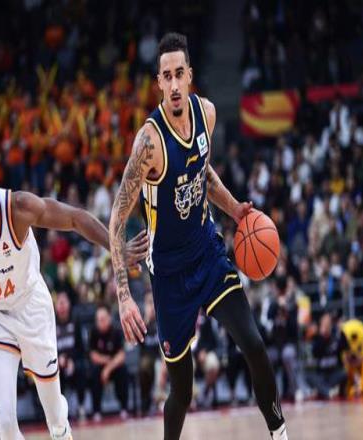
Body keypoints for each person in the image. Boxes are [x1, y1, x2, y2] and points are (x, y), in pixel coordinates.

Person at [109, 32, 288, 440]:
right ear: (158, 82)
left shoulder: (206, 113)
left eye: (180, 74)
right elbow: (117, 216)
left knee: (253, 344)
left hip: (207, 253)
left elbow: (202, 173)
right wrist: (123, 294)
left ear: (190, 75)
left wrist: (235, 208)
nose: (174, 84)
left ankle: (279, 433)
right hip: (169, 275)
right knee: (182, 391)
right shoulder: (149, 143)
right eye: (166, 76)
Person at [0, 151, 147, 440]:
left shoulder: (17, 208)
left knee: (54, 416)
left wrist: (118, 250)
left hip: (32, 308)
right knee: (5, 422)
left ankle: (62, 429)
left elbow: (75, 218)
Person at [88, 305, 129, 421]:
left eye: (103, 319)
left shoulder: (116, 331)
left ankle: (124, 408)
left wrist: (108, 368)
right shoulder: (93, 332)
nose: (101, 322)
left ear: (109, 318)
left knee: (123, 370)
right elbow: (93, 355)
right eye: (98, 320)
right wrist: (106, 361)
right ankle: (96, 411)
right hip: (101, 365)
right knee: (94, 372)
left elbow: (121, 355)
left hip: (114, 366)